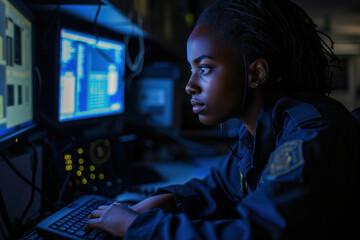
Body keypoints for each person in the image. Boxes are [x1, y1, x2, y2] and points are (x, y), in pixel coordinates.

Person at [85, 0, 360, 239]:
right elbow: (219, 188)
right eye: (192, 68)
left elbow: (254, 234)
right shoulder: (258, 133)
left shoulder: (310, 135)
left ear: (255, 73)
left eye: (204, 68)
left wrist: (136, 225)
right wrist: (169, 200)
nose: (189, 85)